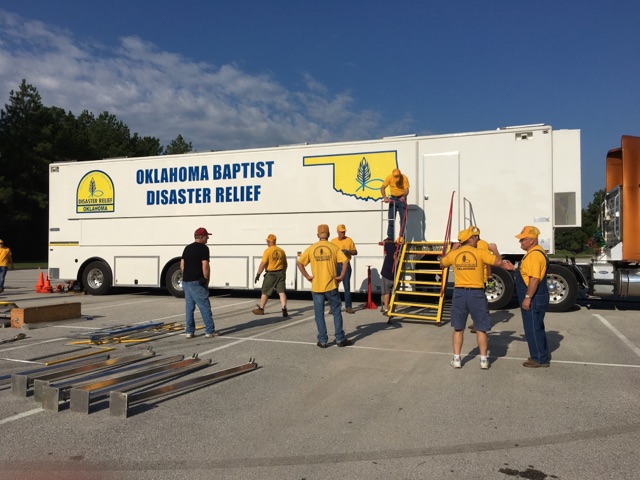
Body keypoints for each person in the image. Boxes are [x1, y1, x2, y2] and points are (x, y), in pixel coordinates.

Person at [440, 227, 503, 369]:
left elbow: (442, 263)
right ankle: (483, 360)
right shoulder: (480, 253)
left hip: (459, 293)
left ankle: (456, 359)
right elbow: (498, 263)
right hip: (476, 293)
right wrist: (494, 249)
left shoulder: (455, 254)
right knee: (481, 328)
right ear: (469, 239)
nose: (477, 239)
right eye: (474, 237)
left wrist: (452, 250)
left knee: (458, 328)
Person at [297, 224, 353, 348]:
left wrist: (307, 276)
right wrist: (341, 276)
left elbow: (299, 263)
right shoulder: (333, 247)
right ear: (328, 235)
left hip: (317, 286)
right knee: (337, 311)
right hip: (331, 285)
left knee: (319, 314)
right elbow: (345, 261)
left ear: (317, 235)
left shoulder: (312, 248)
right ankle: (339, 338)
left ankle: (322, 340)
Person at [502, 226, 551, 368]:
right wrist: (514, 268)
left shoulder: (534, 255)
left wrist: (528, 297)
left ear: (531, 240)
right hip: (539, 296)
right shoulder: (536, 252)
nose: (520, 243)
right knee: (537, 326)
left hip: (534, 297)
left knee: (533, 328)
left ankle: (539, 359)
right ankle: (540, 354)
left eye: (523, 240)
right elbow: (528, 270)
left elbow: (534, 279)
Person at [180, 227, 218, 339]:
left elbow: (182, 265)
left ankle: (189, 331)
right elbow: (205, 265)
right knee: (204, 306)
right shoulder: (203, 248)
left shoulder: (187, 248)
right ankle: (209, 331)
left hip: (186, 281)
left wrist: (187, 275)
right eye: (207, 236)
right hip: (197, 282)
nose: (208, 238)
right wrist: (206, 280)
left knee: (189, 308)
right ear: (201, 237)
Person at [252, 234, 288, 317]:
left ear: (270, 241)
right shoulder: (281, 251)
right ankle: (284, 308)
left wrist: (258, 274)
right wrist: (284, 272)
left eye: (267, 241)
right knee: (281, 292)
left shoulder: (267, 251)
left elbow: (263, 263)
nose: (267, 243)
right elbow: (285, 264)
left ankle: (261, 309)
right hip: (280, 273)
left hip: (271, 274)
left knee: (265, 291)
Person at [330, 224, 358, 314]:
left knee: (347, 287)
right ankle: (333, 306)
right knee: (334, 287)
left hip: (346, 265)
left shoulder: (349, 240)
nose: (343, 233)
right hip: (336, 265)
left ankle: (348, 307)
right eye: (341, 232)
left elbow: (355, 252)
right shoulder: (333, 241)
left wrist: (348, 251)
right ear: (337, 232)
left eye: (344, 231)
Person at [380, 168, 410, 239]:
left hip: (401, 198)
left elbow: (407, 190)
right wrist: (385, 197)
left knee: (403, 218)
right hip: (392, 198)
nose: (397, 179)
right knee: (391, 218)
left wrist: (403, 196)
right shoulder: (389, 177)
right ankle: (390, 236)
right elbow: (382, 187)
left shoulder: (404, 178)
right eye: (395, 177)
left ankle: (402, 236)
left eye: (398, 177)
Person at [380, 237, 401, 319]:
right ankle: (394, 309)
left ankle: (386, 309)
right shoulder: (402, 252)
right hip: (395, 275)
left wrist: (390, 241)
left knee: (386, 293)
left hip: (386, 274)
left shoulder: (390, 247)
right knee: (395, 293)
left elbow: (385, 242)